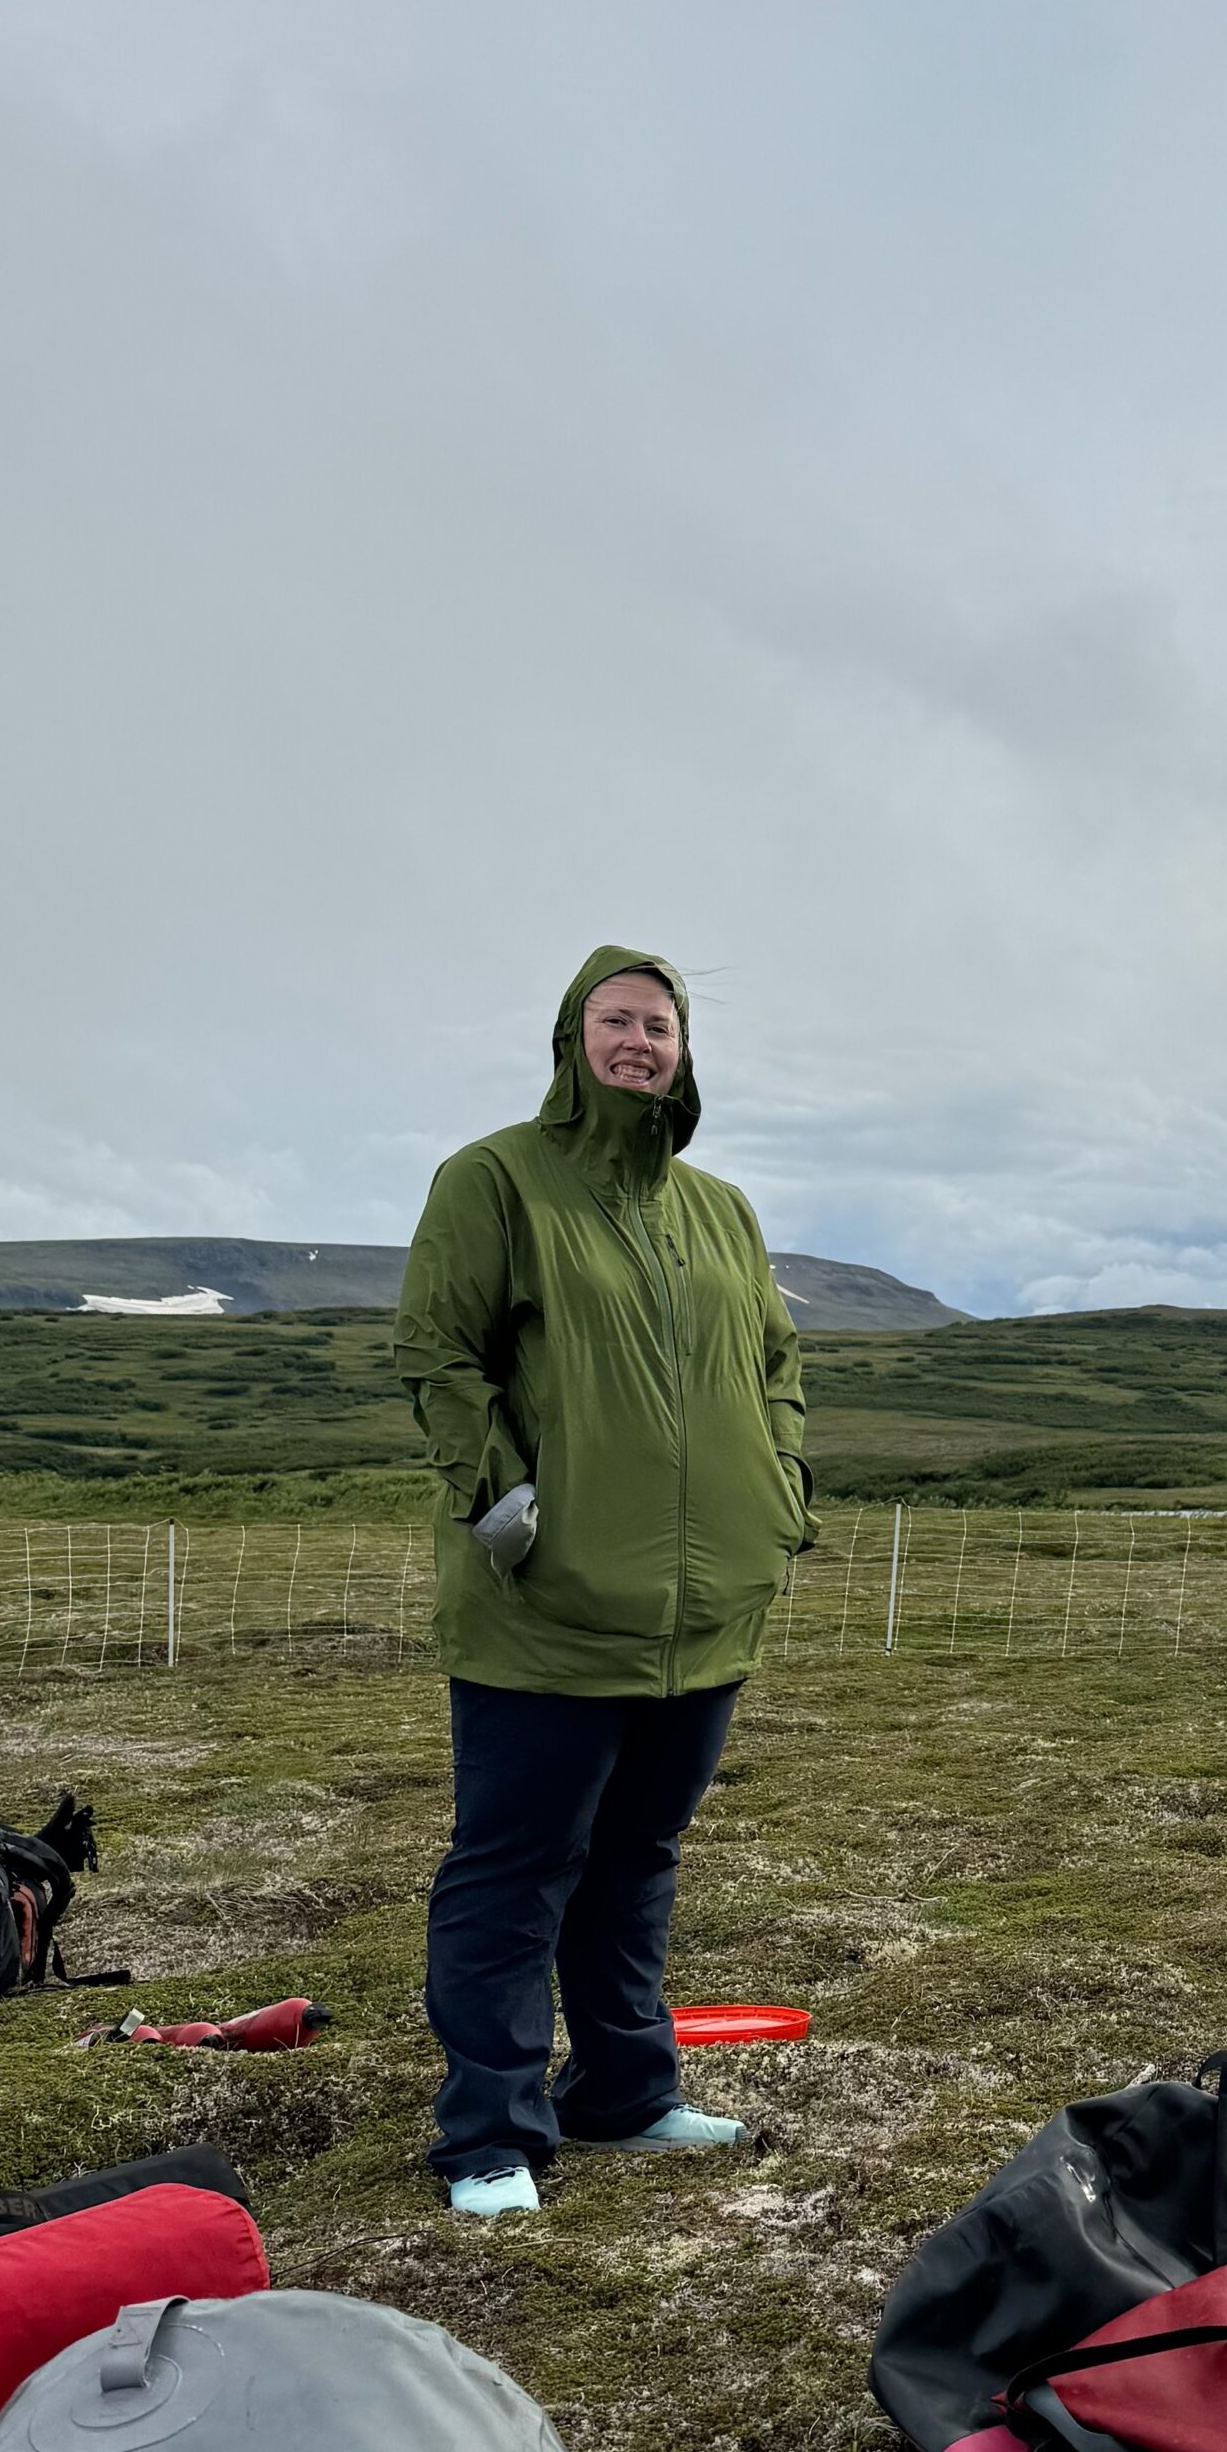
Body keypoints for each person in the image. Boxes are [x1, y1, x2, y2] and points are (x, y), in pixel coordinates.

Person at [396, 945, 816, 2219]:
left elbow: (776, 1362)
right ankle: (489, 2134)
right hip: (547, 1610)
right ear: (572, 1037)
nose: (640, 1042)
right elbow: (436, 1351)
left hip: (703, 1615)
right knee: (515, 1869)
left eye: (661, 1025)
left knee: (638, 1857)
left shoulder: (722, 1210)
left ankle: (626, 2095)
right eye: (617, 1019)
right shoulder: (495, 1181)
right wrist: (503, 1500)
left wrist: (780, 1486)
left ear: (685, 1051)